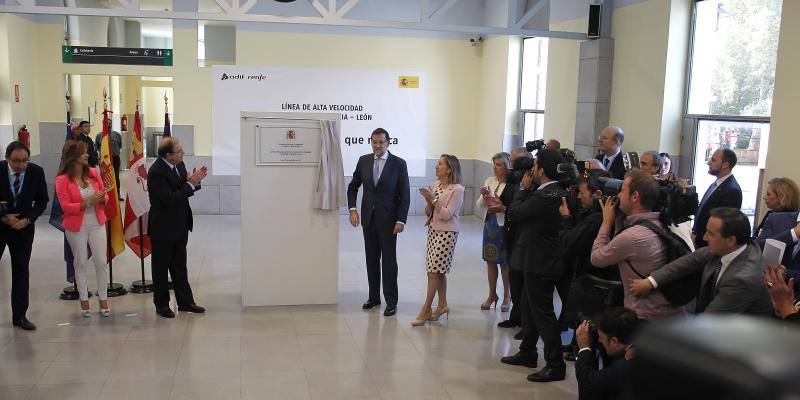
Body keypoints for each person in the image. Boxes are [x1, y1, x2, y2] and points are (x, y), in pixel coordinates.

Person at [500, 148, 568, 383]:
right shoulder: (551, 191)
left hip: (541, 262)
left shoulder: (545, 195)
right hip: (536, 258)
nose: (531, 170)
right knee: (529, 307)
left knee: (543, 313)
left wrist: (521, 190)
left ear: (541, 170)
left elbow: (515, 213)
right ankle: (528, 352)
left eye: (535, 165)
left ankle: (555, 364)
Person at [630, 208, 773, 316]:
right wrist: (651, 281)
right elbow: (688, 262)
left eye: (711, 234)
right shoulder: (731, 248)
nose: (704, 238)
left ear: (731, 240)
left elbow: (709, 323)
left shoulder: (742, 279)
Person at [591, 169, 682, 320]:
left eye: (623, 191)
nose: (618, 195)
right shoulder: (660, 222)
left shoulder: (632, 237)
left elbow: (597, 258)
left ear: (635, 196)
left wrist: (606, 222)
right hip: (667, 313)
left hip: (646, 316)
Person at [559, 169, 622, 360]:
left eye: (582, 193)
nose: (578, 197)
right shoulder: (601, 216)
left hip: (595, 283)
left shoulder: (597, 220)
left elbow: (570, 243)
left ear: (598, 195)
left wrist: (566, 219)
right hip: (600, 282)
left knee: (589, 326)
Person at [347, 128, 410, 317]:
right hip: (368, 219)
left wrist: (401, 220)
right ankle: (374, 297)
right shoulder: (364, 160)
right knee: (371, 259)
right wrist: (352, 210)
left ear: (388, 142)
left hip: (389, 221)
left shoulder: (399, 164)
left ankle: (391, 301)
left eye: (381, 142)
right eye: (374, 142)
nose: (377, 145)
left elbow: (405, 195)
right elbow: (353, 187)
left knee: (389, 262)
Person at [148, 137, 207, 318]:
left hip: (180, 223)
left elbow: (182, 190)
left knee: (180, 266)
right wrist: (190, 183)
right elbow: (170, 199)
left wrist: (193, 182)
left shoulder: (179, 165)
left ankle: (185, 302)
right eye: (179, 151)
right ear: (168, 155)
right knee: (161, 268)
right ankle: (162, 305)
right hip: (163, 227)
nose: (183, 153)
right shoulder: (156, 172)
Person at [55, 141, 111, 317]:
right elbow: (65, 206)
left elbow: (106, 195)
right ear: (73, 157)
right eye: (83, 153)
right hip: (76, 226)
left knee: (101, 261)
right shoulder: (62, 180)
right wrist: (87, 202)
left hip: (97, 222)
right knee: (80, 261)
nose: (87, 155)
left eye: (87, 152)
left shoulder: (93, 173)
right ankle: (84, 299)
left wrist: (102, 198)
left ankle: (103, 298)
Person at [0, 141, 48, 330]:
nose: (20, 165)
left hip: (23, 228)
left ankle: (19, 316)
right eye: (16, 161)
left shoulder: (36, 171)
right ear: (7, 159)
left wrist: (27, 220)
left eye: (24, 161)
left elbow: (42, 201)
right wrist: (3, 217)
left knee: (21, 271)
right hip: (1, 225)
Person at [412, 154, 464, 326]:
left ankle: (426, 308)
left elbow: (447, 214)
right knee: (437, 270)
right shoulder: (435, 185)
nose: (436, 167)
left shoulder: (457, 189)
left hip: (447, 233)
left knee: (433, 272)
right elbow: (430, 212)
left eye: (440, 164)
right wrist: (428, 200)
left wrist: (433, 199)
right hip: (434, 230)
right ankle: (442, 305)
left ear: (449, 169)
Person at [498, 147, 532, 330]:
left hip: (525, 237)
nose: (511, 168)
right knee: (514, 278)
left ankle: (527, 323)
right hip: (511, 234)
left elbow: (520, 210)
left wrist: (507, 208)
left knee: (525, 283)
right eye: (511, 163)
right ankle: (515, 315)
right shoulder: (512, 181)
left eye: (515, 164)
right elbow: (504, 200)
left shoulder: (530, 185)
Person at [575, 307, 638, 400]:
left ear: (614, 341)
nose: (599, 341)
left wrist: (584, 348)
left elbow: (588, 383)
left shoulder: (623, 367)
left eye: (601, 337)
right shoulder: (642, 344)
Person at [476, 152, 513, 311]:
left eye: (498, 165)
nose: (495, 168)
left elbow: (510, 208)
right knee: (490, 261)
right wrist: (484, 197)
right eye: (494, 164)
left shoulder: (511, 185)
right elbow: (479, 206)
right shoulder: (490, 181)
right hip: (489, 225)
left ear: (506, 166)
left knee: (504, 264)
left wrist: (497, 201)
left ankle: (506, 296)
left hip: (504, 226)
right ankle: (492, 294)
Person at [694, 148, 742, 249]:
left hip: (708, 247)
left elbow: (722, 226)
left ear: (725, 165)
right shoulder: (717, 183)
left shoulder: (732, 191)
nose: (709, 162)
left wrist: (699, 239)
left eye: (713, 160)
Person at [95, 121, 123, 198]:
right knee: (104, 177)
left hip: (115, 158)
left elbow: (120, 146)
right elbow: (97, 147)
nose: (108, 125)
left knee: (116, 176)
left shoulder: (117, 135)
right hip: (104, 160)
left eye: (110, 123)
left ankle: (117, 195)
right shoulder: (99, 136)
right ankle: (105, 194)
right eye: (106, 123)